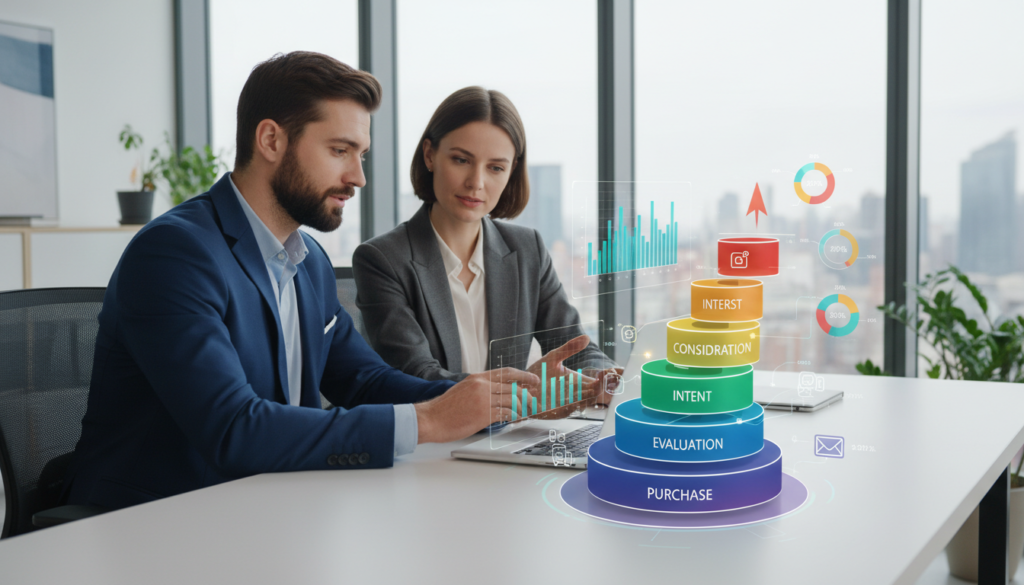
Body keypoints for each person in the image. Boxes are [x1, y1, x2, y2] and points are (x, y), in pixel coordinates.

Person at [63, 54, 538, 511]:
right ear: (271, 140)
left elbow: (364, 380)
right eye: (339, 151)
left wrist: (499, 398)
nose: (358, 177)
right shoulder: (175, 253)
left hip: (276, 507)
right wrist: (429, 421)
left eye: (362, 154)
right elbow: (233, 428)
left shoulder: (306, 262)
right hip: (158, 520)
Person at [352, 86, 621, 414]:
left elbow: (575, 347)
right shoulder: (383, 260)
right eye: (461, 160)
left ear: (511, 172)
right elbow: (417, 375)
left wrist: (600, 376)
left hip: (507, 440)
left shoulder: (527, 249)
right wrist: (524, 389)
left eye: (495, 167)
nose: (476, 182)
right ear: (429, 155)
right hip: (432, 446)